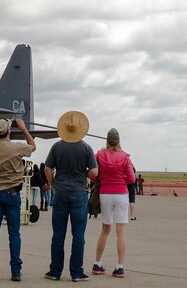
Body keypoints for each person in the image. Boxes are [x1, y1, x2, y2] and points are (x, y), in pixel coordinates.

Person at [44, 111, 98, 283]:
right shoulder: (86, 148)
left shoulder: (56, 147)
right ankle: (76, 272)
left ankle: (55, 271)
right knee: (78, 235)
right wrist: (85, 173)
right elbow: (95, 172)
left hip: (60, 192)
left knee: (58, 234)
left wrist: (53, 184)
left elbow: (47, 168)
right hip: (79, 194)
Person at [0, 117, 36, 283]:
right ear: (8, 132)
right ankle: (15, 271)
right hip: (13, 193)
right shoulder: (15, 148)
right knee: (14, 234)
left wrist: (1, 130)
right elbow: (33, 146)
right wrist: (22, 128)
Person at [91, 128, 136, 278]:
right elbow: (131, 179)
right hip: (121, 193)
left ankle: (97, 263)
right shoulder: (125, 157)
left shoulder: (100, 155)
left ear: (107, 141)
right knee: (121, 230)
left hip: (105, 193)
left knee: (105, 229)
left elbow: (93, 175)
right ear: (118, 141)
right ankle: (119, 266)